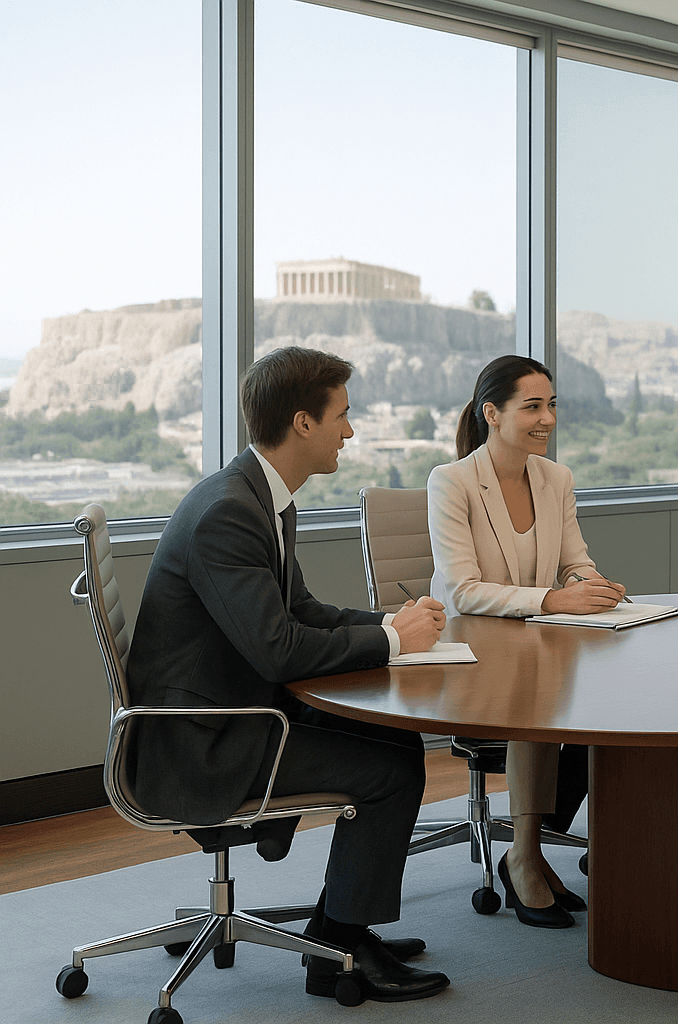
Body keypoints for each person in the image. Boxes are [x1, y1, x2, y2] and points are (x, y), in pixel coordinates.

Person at [125, 346, 451, 1003]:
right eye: (343, 416)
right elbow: (278, 650)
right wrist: (389, 640)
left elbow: (302, 612)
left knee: (394, 740)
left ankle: (340, 926)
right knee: (388, 769)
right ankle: (340, 948)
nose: (351, 432)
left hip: (228, 710)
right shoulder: (230, 513)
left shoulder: (261, 498)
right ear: (303, 423)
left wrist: (394, 624)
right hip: (202, 741)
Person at [427, 354, 625, 929]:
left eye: (552, 405)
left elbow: (573, 562)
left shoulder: (554, 478)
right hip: (470, 655)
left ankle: (546, 846)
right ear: (492, 413)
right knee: (537, 703)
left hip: (540, 647)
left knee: (614, 705)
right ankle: (525, 855)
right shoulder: (453, 480)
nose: (547, 419)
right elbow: (463, 591)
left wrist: (591, 585)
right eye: (532, 407)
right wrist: (555, 601)